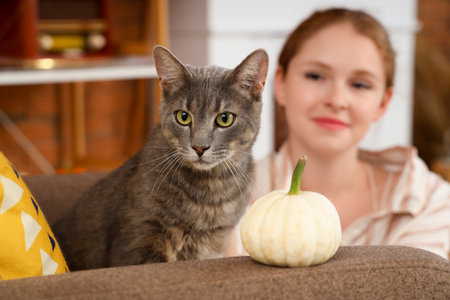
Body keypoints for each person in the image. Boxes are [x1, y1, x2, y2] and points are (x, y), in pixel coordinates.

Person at [224, 7, 450, 259]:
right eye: (316, 76)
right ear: (280, 83)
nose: (337, 100)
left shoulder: (428, 201)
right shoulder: (223, 199)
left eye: (360, 84)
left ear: (383, 103)